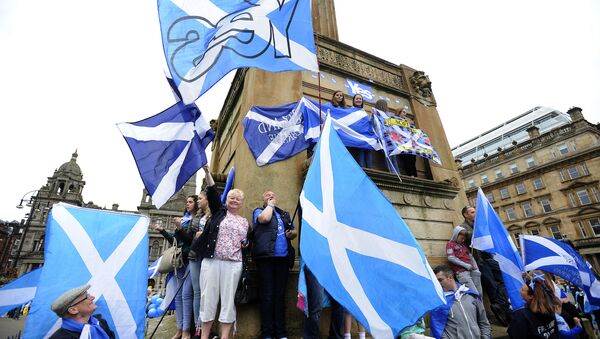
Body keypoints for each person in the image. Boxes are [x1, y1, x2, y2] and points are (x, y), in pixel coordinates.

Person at [191, 165, 249, 339]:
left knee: (228, 301)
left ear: (242, 203)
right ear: (227, 200)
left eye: (238, 199)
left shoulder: (245, 222)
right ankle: (204, 336)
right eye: (232, 197)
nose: (234, 200)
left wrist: (246, 244)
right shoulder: (218, 212)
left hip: (234, 265)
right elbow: (212, 190)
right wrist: (208, 173)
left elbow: (247, 242)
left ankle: (225, 337)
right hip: (212, 261)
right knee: (207, 299)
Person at [251, 191, 297, 339]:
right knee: (267, 296)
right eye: (267, 194)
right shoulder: (259, 211)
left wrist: (291, 234)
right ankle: (267, 334)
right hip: (266, 259)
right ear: (263, 199)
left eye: (273, 194)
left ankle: (281, 333)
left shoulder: (283, 214)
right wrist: (270, 205)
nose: (270, 195)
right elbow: (264, 219)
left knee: (280, 296)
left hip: (283, 260)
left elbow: (294, 230)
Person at [155, 195, 199, 339]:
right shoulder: (184, 220)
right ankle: (180, 328)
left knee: (186, 294)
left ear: (197, 204)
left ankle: (187, 330)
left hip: (189, 260)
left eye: (191, 202)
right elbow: (175, 241)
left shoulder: (196, 221)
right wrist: (162, 231)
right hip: (178, 261)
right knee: (179, 296)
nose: (187, 203)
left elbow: (190, 241)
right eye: (187, 201)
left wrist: (180, 227)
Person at [460, 205, 511, 326]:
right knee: (492, 286)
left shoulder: (481, 226)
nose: (475, 214)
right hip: (479, 261)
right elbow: (466, 238)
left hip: (489, 258)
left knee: (505, 278)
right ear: (466, 215)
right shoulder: (462, 227)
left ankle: (498, 303)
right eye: (472, 212)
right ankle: (502, 315)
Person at [431, 265, 491, 339]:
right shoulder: (439, 302)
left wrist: (485, 337)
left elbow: (484, 322)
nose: (437, 284)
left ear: (449, 277)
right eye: (435, 281)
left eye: (440, 280)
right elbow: (437, 330)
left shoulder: (471, 295)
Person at [49, 284, 115, 339]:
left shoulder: (100, 323)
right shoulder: (61, 337)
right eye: (86, 297)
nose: (92, 297)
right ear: (73, 310)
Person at [508, 271, 560, 338]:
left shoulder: (520, 316)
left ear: (531, 296)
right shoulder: (550, 309)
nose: (519, 291)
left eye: (522, 289)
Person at [189, 191, 211, 337]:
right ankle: (198, 326)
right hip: (194, 255)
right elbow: (190, 237)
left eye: (201, 199)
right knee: (197, 291)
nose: (198, 201)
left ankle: (205, 325)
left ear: (208, 200)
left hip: (207, 256)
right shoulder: (197, 216)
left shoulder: (214, 215)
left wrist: (203, 236)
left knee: (206, 292)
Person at [303, 265, 345, 339]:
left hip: (336, 264)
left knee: (340, 304)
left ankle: (335, 337)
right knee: (315, 306)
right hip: (315, 264)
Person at [446, 225, 483, 295]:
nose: (463, 240)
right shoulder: (450, 244)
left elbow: (470, 256)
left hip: (473, 271)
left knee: (480, 293)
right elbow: (451, 258)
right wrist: (465, 265)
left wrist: (477, 270)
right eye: (462, 238)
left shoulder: (463, 245)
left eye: (464, 239)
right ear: (456, 235)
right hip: (462, 272)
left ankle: (481, 306)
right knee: (474, 294)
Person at [350, 94, 372, 169]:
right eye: (357, 99)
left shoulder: (363, 112)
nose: (358, 100)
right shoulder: (350, 110)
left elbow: (367, 123)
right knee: (360, 151)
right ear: (353, 100)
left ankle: (369, 169)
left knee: (368, 149)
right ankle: (362, 167)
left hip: (365, 135)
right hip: (356, 135)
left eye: (360, 99)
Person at [396, 105, 417, 177]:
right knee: (406, 160)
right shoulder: (395, 121)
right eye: (403, 112)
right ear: (399, 113)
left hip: (410, 144)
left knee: (413, 160)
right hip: (402, 143)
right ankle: (410, 175)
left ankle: (415, 175)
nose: (405, 114)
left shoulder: (408, 123)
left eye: (405, 112)